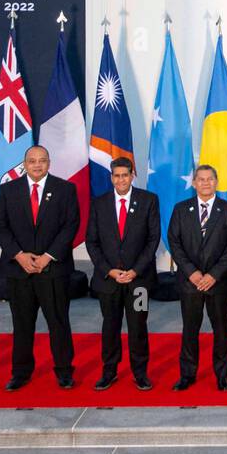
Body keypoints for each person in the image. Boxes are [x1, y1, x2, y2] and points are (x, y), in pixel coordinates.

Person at [0, 145, 79, 391]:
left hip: (52, 270)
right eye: (32, 161)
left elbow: (70, 226)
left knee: (58, 323)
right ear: (25, 164)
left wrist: (47, 257)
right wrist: (19, 255)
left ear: (49, 163)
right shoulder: (8, 190)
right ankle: (20, 373)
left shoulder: (65, 189)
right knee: (22, 324)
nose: (37, 165)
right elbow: (0, 226)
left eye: (42, 160)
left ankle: (64, 371)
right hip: (19, 270)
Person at [84, 156, 160, 391]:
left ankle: (140, 373)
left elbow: (152, 240)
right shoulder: (99, 203)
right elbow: (92, 242)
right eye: (116, 176)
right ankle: (109, 371)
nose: (121, 180)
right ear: (111, 177)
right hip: (109, 281)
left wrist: (135, 271)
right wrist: (110, 271)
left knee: (138, 326)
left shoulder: (148, 201)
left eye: (125, 175)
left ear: (132, 175)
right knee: (110, 326)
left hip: (139, 283)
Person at [167, 164, 227, 392]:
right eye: (201, 179)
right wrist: (192, 272)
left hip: (218, 283)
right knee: (190, 330)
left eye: (210, 179)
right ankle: (187, 375)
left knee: (221, 330)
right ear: (194, 183)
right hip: (190, 283)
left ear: (216, 182)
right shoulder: (181, 209)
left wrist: (212, 275)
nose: (206, 183)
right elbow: (175, 243)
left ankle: (222, 375)